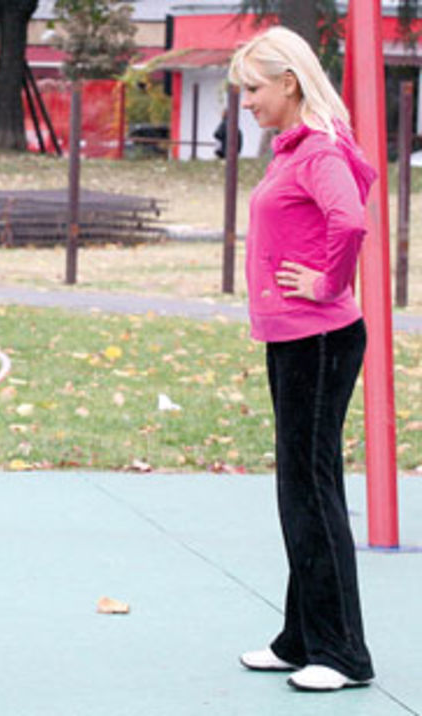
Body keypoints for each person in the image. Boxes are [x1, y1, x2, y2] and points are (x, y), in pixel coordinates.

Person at [228, 27, 376, 692]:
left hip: (318, 340)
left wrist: (327, 281)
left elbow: (350, 222)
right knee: (300, 490)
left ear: (289, 82)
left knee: (310, 492)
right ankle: (302, 636)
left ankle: (343, 654)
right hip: (294, 341)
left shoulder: (318, 150)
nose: (247, 102)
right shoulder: (294, 149)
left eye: (254, 89)